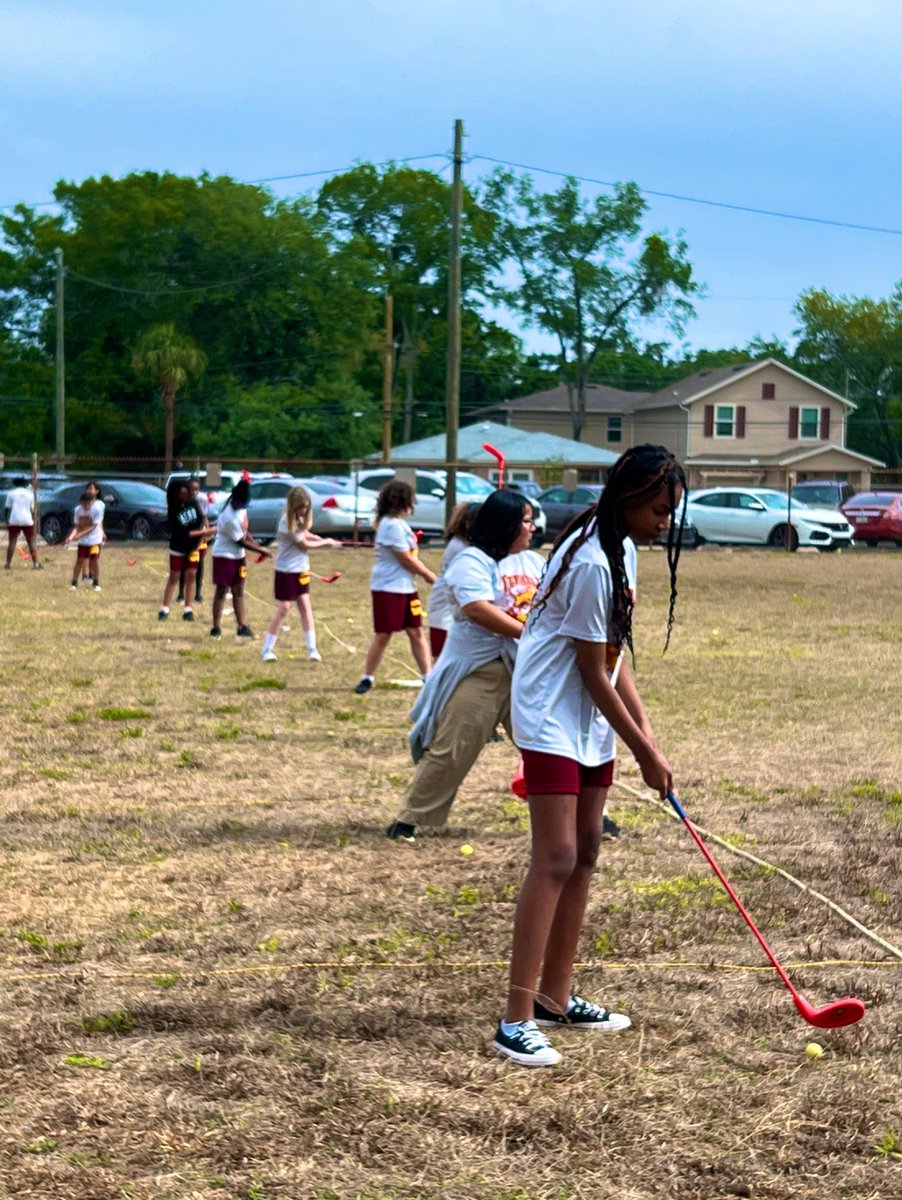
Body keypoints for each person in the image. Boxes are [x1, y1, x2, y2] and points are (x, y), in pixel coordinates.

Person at [492, 444, 687, 1068]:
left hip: (587, 718)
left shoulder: (622, 550)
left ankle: (556, 998)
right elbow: (589, 672)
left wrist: (645, 730)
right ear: (628, 500)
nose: (665, 523)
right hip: (551, 714)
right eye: (658, 511)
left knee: (586, 850)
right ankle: (515, 1020)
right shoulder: (591, 563)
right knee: (556, 857)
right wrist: (643, 752)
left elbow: (612, 654)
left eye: (670, 512)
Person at [385, 489, 542, 842]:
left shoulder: (533, 562)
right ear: (506, 524)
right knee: (454, 747)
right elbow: (477, 609)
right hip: (481, 670)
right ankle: (408, 820)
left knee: (549, 745)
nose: (533, 527)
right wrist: (531, 633)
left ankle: (589, 814)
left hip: (524, 670)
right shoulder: (470, 561)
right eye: (526, 520)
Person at [354, 480, 436, 695]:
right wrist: (428, 575)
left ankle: (429, 677)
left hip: (406, 587)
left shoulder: (400, 524)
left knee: (416, 631)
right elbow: (405, 559)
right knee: (384, 634)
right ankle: (367, 677)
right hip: (388, 587)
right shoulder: (390, 525)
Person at [261, 485, 341, 662]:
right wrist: (325, 543)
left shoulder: (298, 519)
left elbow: (304, 533)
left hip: (301, 570)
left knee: (305, 606)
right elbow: (303, 544)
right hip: (286, 571)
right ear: (293, 506)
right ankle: (267, 650)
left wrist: (317, 537)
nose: (303, 511)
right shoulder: (286, 522)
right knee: (284, 608)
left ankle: (312, 649)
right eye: (300, 507)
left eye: (306, 507)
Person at [209, 479, 271, 638]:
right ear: (234, 500)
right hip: (224, 556)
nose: (242, 506)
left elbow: (244, 532)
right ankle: (216, 628)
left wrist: (255, 542)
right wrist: (261, 551)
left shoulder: (241, 510)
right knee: (221, 591)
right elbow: (240, 541)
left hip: (238, 557)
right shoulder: (228, 517)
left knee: (238, 591)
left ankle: (242, 626)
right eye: (240, 503)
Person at [426, 502, 475, 661]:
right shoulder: (460, 548)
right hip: (444, 611)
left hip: (450, 612)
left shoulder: (462, 545)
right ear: (468, 524)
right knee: (443, 659)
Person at [158, 480, 208, 622]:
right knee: (174, 577)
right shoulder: (173, 511)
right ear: (176, 495)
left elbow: (200, 519)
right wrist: (207, 532)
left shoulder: (194, 503)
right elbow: (186, 533)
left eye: (187, 492)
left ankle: (188, 610)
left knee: (191, 575)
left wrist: (203, 532)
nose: (186, 496)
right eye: (182, 493)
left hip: (194, 547)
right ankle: (165, 609)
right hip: (178, 547)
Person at [63, 487, 105, 590]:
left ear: (92, 502)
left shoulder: (97, 509)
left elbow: (93, 527)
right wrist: (71, 537)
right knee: (80, 561)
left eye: (89, 504)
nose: (87, 506)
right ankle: (74, 583)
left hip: (95, 541)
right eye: (85, 504)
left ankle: (96, 582)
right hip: (83, 542)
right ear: (80, 502)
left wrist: (80, 535)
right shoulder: (77, 510)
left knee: (94, 560)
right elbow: (77, 526)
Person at [178, 479, 211, 604]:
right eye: (192, 490)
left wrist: (206, 532)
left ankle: (197, 593)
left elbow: (204, 518)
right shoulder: (182, 502)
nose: (195, 492)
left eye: (197, 490)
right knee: (184, 565)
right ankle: (181, 593)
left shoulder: (201, 500)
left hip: (199, 537)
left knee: (199, 564)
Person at [4, 477, 42, 569]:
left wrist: (7, 521)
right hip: (27, 520)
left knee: (12, 542)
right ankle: (36, 564)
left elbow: (7, 508)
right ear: (25, 485)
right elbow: (32, 510)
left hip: (14, 520)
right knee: (31, 542)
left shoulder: (11, 493)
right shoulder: (30, 494)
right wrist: (33, 520)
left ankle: (8, 564)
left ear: (15, 484)